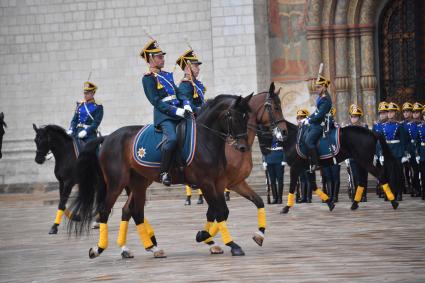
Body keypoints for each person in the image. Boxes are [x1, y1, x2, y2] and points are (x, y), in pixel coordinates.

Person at [141, 38, 192, 186]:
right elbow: (155, 101)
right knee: (172, 139)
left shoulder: (167, 75)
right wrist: (177, 111)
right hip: (165, 117)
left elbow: (179, 93)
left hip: (179, 111)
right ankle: (164, 172)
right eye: (159, 57)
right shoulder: (148, 79)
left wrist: (187, 104)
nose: (162, 59)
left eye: (162, 56)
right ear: (150, 59)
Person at [303, 74, 332, 171]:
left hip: (321, 124)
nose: (317, 89)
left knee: (308, 141)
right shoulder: (320, 98)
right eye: (316, 87)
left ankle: (316, 163)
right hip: (316, 123)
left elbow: (320, 115)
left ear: (324, 87)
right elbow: (316, 112)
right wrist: (307, 118)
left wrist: (310, 120)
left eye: (319, 87)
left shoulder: (325, 100)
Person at [382, 102, 409, 201]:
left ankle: (399, 193)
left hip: (397, 152)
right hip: (387, 151)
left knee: (398, 174)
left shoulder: (399, 125)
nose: (389, 114)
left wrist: (403, 154)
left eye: (392, 112)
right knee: (388, 173)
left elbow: (403, 141)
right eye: (388, 112)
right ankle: (390, 194)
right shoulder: (384, 126)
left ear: (395, 113)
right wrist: (381, 153)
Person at [345, 104, 368, 202]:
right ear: (350, 117)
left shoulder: (364, 127)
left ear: (359, 117)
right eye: (352, 116)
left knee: (363, 176)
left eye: (356, 116)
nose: (354, 118)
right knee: (355, 176)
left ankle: (363, 195)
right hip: (352, 156)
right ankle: (357, 195)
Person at [321, 107, 340, 202]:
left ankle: (335, 196)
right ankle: (330, 195)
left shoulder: (336, 128)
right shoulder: (320, 130)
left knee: (335, 176)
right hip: (324, 156)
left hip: (335, 155)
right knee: (328, 176)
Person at [296, 109, 312, 203]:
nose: (300, 119)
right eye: (298, 118)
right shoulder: (298, 129)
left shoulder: (308, 128)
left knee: (308, 177)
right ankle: (303, 197)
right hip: (300, 156)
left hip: (307, 156)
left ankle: (309, 197)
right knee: (302, 177)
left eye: (302, 117)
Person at [262, 136, 285, 204]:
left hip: (279, 160)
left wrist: (284, 159)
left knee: (280, 179)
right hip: (269, 160)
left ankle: (280, 198)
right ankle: (275, 198)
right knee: (272, 180)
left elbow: (285, 148)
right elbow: (263, 150)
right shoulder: (266, 137)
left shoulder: (280, 135)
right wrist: (264, 160)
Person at [417, 106, 425, 200]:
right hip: (423, 152)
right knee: (423, 173)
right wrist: (417, 154)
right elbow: (418, 141)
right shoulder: (420, 127)